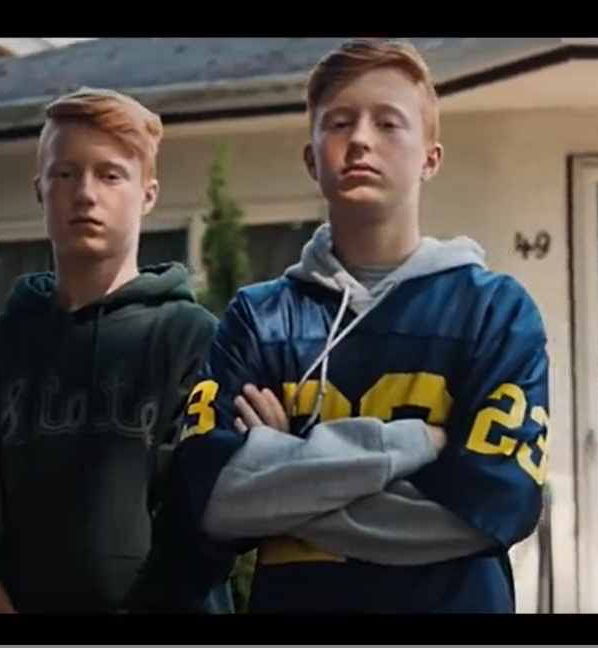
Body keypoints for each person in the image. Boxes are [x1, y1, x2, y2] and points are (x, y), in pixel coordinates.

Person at [171, 39, 550, 613]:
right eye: (339, 122)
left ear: (430, 158)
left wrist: (283, 466)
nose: (361, 140)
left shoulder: (494, 311)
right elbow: (211, 500)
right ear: (311, 159)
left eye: (389, 123)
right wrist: (412, 446)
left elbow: (497, 507)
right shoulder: (259, 317)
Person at [0, 88, 235, 614]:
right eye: (65, 174)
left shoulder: (194, 339)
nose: (85, 193)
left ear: (147, 194)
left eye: (110, 175)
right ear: (39, 191)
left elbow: (208, 507)